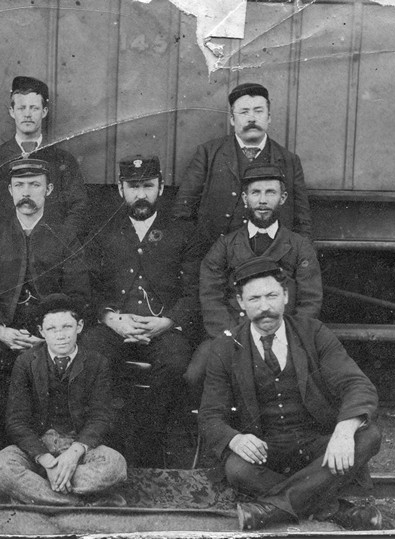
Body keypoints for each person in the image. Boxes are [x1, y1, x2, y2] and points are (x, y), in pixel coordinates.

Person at [199, 257, 383, 532]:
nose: (264, 308)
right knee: (237, 468)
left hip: (315, 446)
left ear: (285, 296)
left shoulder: (314, 333)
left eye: (272, 296)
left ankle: (275, 508)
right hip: (266, 451)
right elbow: (210, 416)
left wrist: (344, 431)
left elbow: (358, 385)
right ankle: (331, 508)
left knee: (368, 436)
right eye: (254, 299)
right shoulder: (225, 347)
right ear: (240, 302)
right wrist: (235, 439)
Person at [82, 155, 201, 468]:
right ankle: (104, 441)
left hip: (163, 327)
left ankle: (148, 446)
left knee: (176, 365)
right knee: (90, 355)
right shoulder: (102, 231)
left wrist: (168, 321)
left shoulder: (182, 232)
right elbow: (88, 288)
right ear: (121, 189)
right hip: (115, 325)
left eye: (147, 185)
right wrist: (111, 318)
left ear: (160, 187)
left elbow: (193, 293)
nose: (140, 194)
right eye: (133, 187)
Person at [0, 157, 89, 430]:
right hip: (5, 332)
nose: (26, 192)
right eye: (19, 185)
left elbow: (79, 294)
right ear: (10, 191)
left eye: (35, 185)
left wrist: (49, 335)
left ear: (48, 190)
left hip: (51, 334)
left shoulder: (65, 236)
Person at [0, 294, 127, 506]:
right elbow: (16, 421)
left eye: (67, 327)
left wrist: (73, 455)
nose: (60, 336)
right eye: (51, 329)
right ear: (41, 332)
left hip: (79, 446)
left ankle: (41, 495)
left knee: (115, 465)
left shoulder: (97, 362)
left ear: (79, 327)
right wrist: (47, 461)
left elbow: (100, 417)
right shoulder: (26, 362)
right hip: (38, 447)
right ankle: (78, 502)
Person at [173, 82, 312, 244]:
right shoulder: (208, 154)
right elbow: (182, 211)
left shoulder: (289, 160)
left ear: (269, 117)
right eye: (244, 112)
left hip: (269, 258)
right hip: (216, 257)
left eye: (259, 111)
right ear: (232, 119)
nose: (252, 118)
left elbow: (302, 222)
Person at [199, 162, 322, 339]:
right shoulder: (225, 245)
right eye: (255, 192)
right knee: (199, 366)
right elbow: (210, 297)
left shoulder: (299, 246)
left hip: (283, 336)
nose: (262, 200)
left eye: (270, 192)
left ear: (283, 198)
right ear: (244, 198)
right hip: (234, 336)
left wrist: (286, 336)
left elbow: (310, 301)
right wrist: (229, 336)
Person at [0, 76, 88, 244]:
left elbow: (78, 208)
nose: (27, 114)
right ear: (11, 111)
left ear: (44, 112)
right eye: (21, 108)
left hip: (50, 249)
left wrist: (61, 243)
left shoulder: (63, 160)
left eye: (34, 108)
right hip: (5, 250)